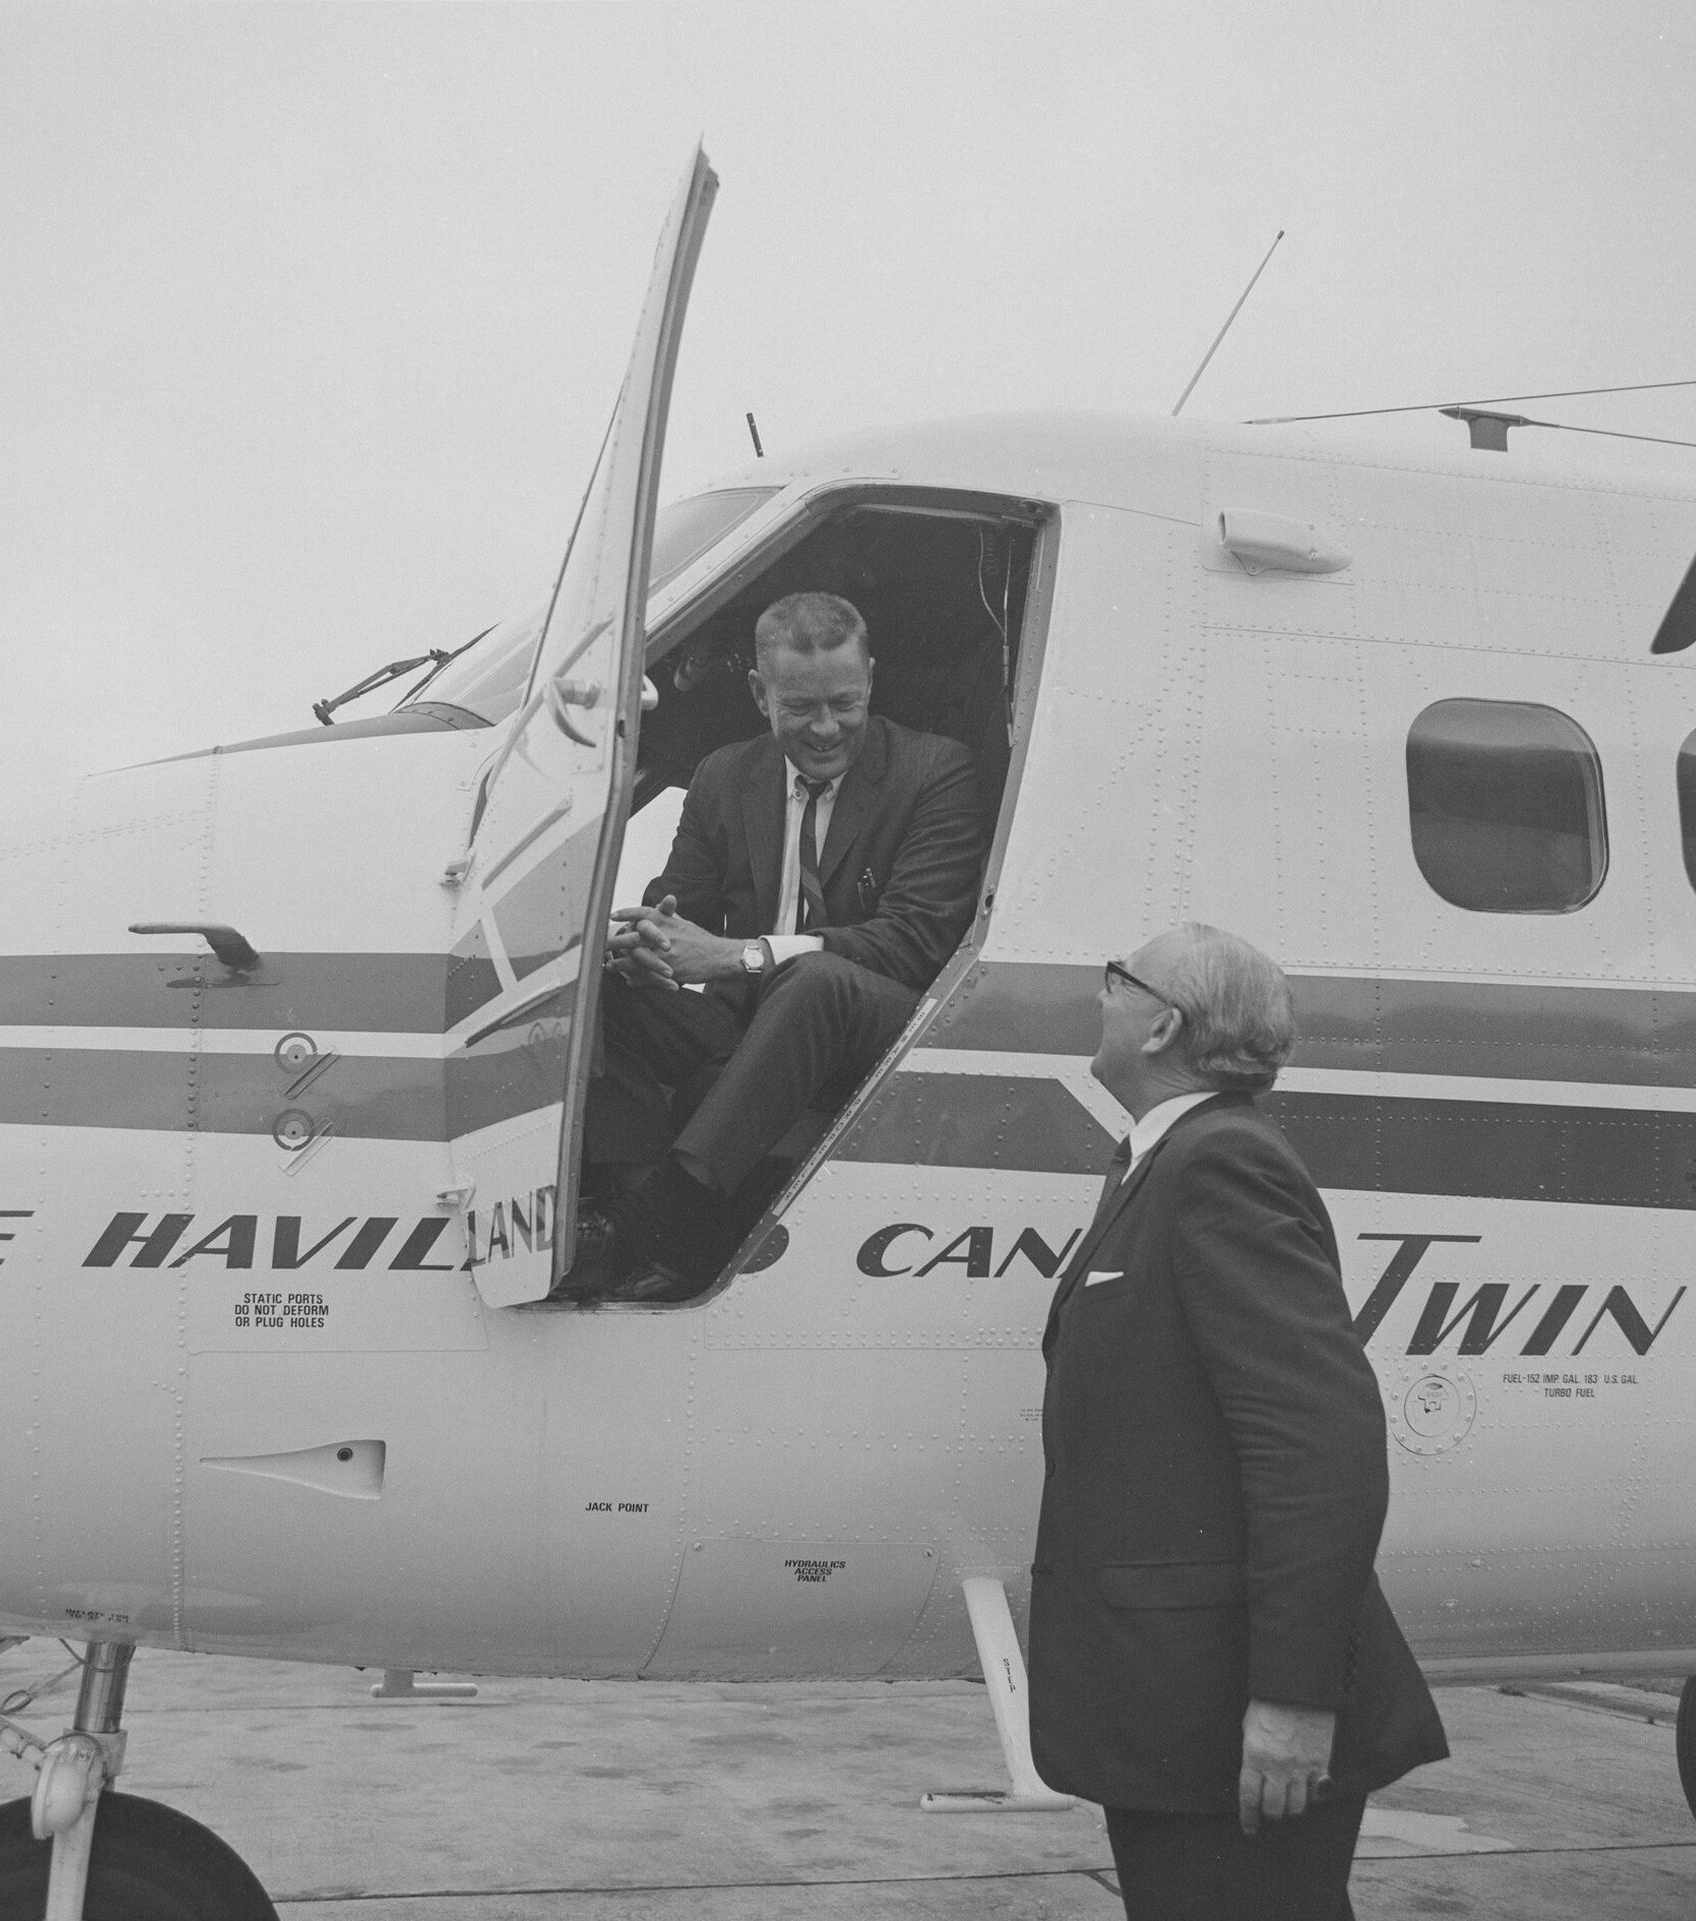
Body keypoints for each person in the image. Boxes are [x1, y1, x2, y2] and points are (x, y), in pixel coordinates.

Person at [1027, 924, 1447, 1920]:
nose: (1101, 996)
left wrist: (1296, 1698)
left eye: (1115, 982)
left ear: (1164, 1022)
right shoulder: (1160, 1160)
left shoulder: (1219, 1164)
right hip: (1179, 1705)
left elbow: (1318, 1445)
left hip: (1226, 1708)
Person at [566, 590, 983, 1303]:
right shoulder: (724, 776)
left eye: (843, 704)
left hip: (873, 1025)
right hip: (751, 1028)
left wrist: (741, 955)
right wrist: (640, 945)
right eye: (800, 708)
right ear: (760, 693)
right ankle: (617, 1204)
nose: (825, 728)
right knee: (591, 986)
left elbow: (914, 943)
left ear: (871, 680)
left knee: (813, 979)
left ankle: (662, 1216)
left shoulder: (934, 771)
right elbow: (677, 908)